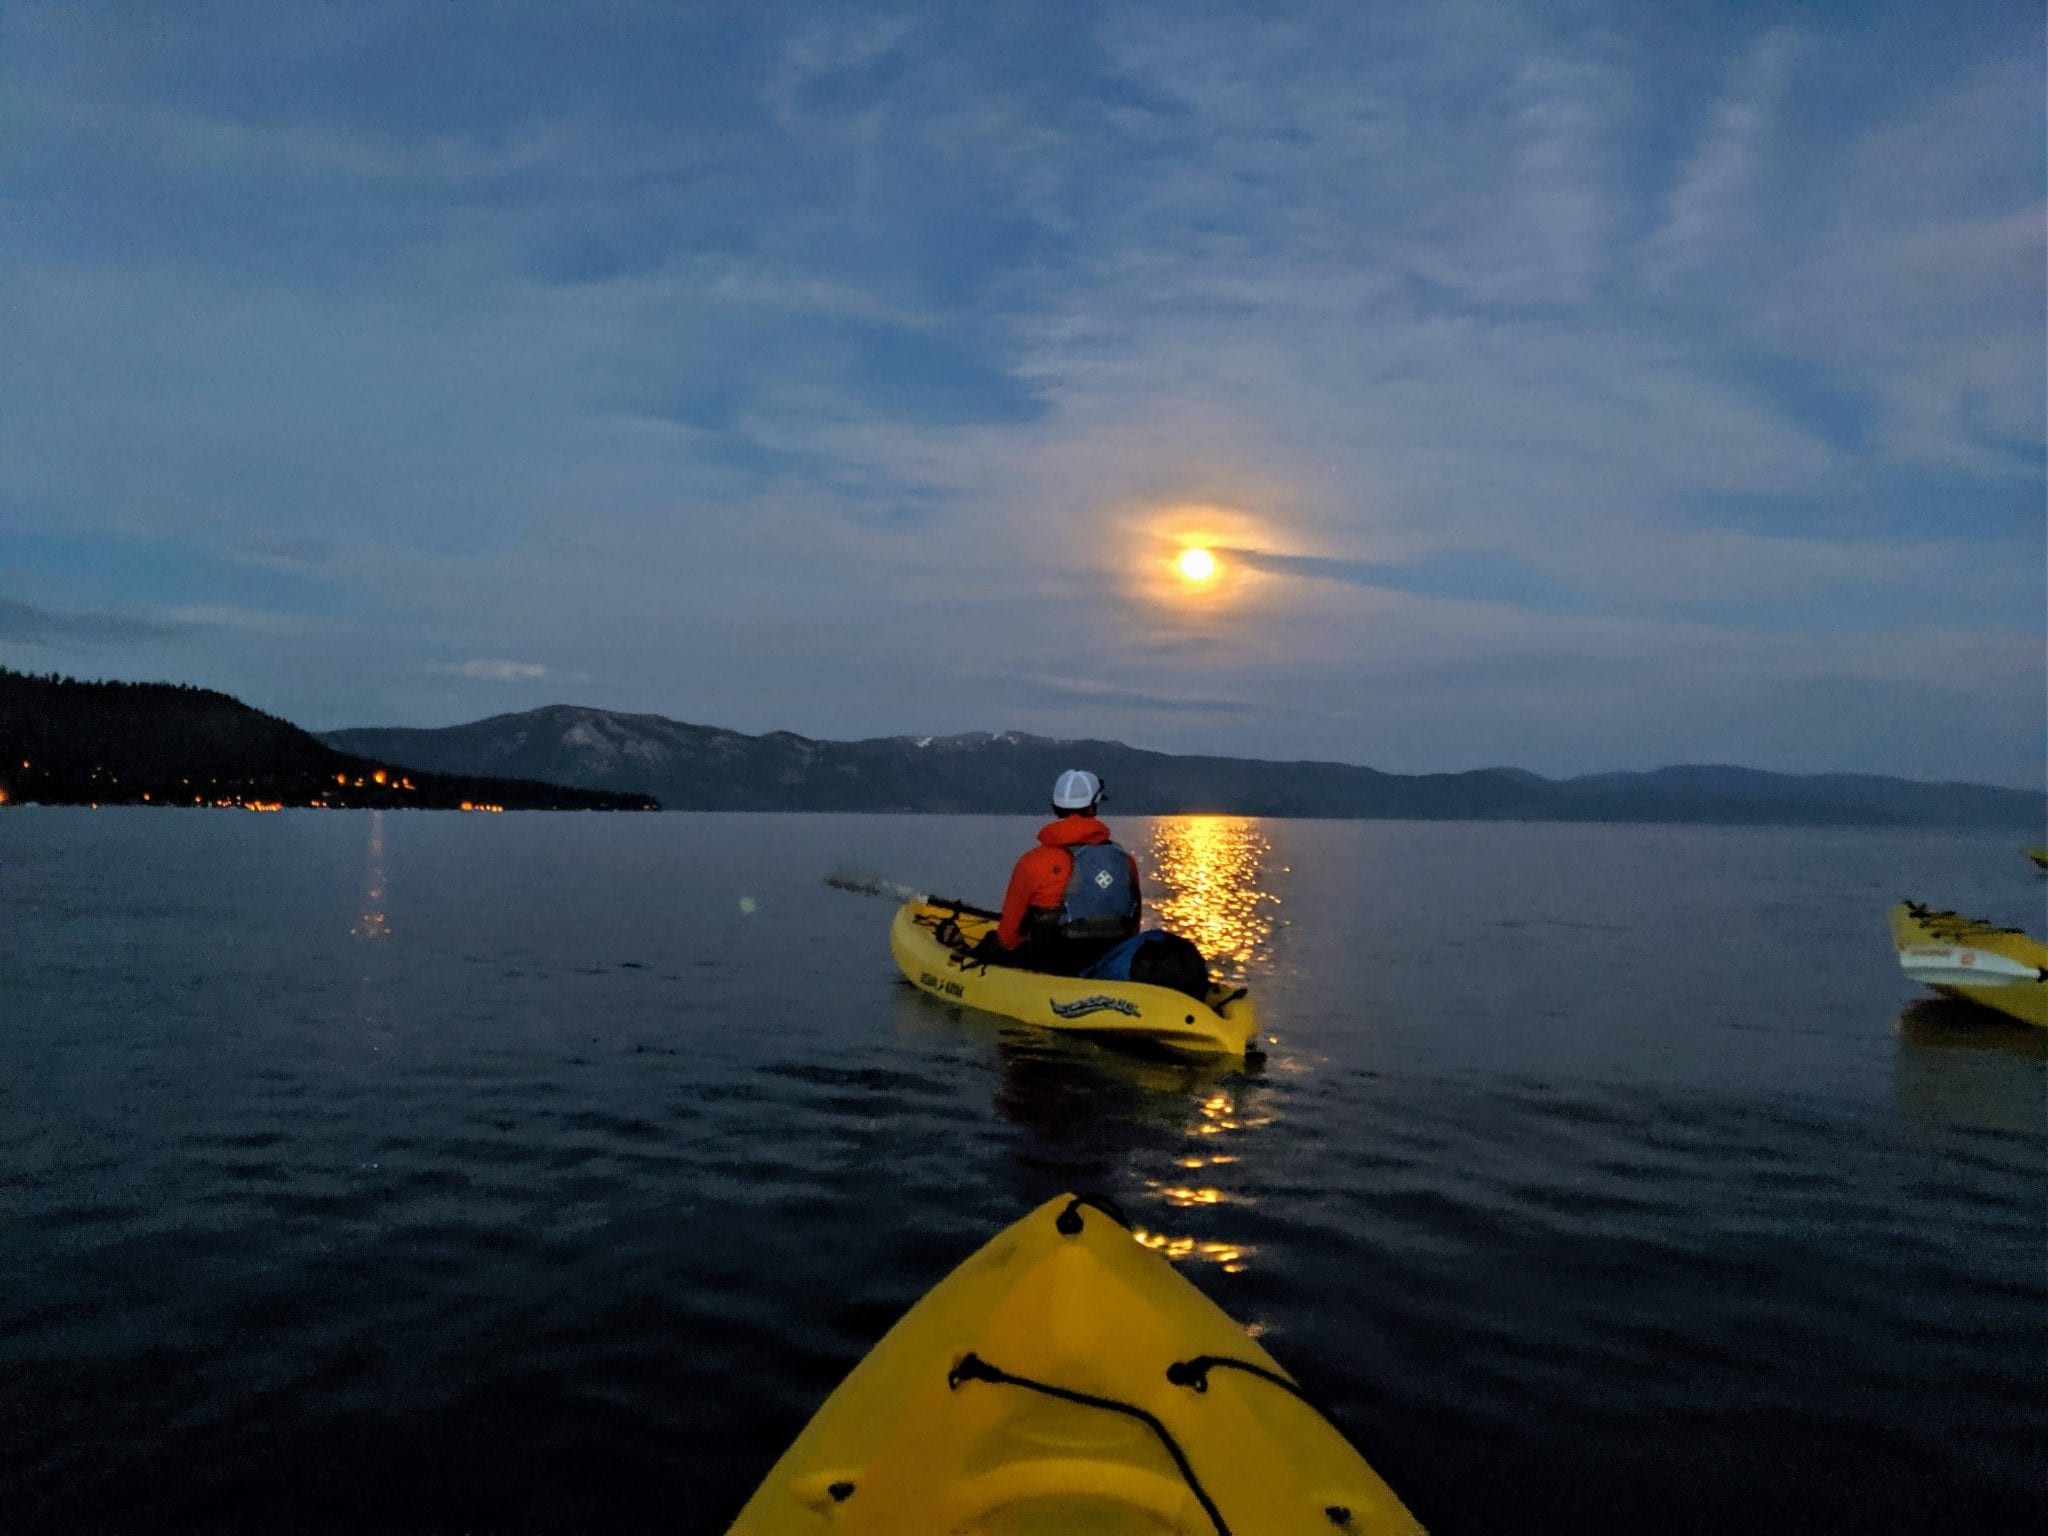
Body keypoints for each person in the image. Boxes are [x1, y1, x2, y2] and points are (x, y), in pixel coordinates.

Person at [973, 769, 1142, 974]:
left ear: (1056, 808)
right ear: (1093, 808)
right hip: (1107, 964)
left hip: (1051, 967)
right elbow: (1133, 928)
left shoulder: (1032, 863)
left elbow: (1008, 937)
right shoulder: (1126, 861)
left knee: (991, 943)